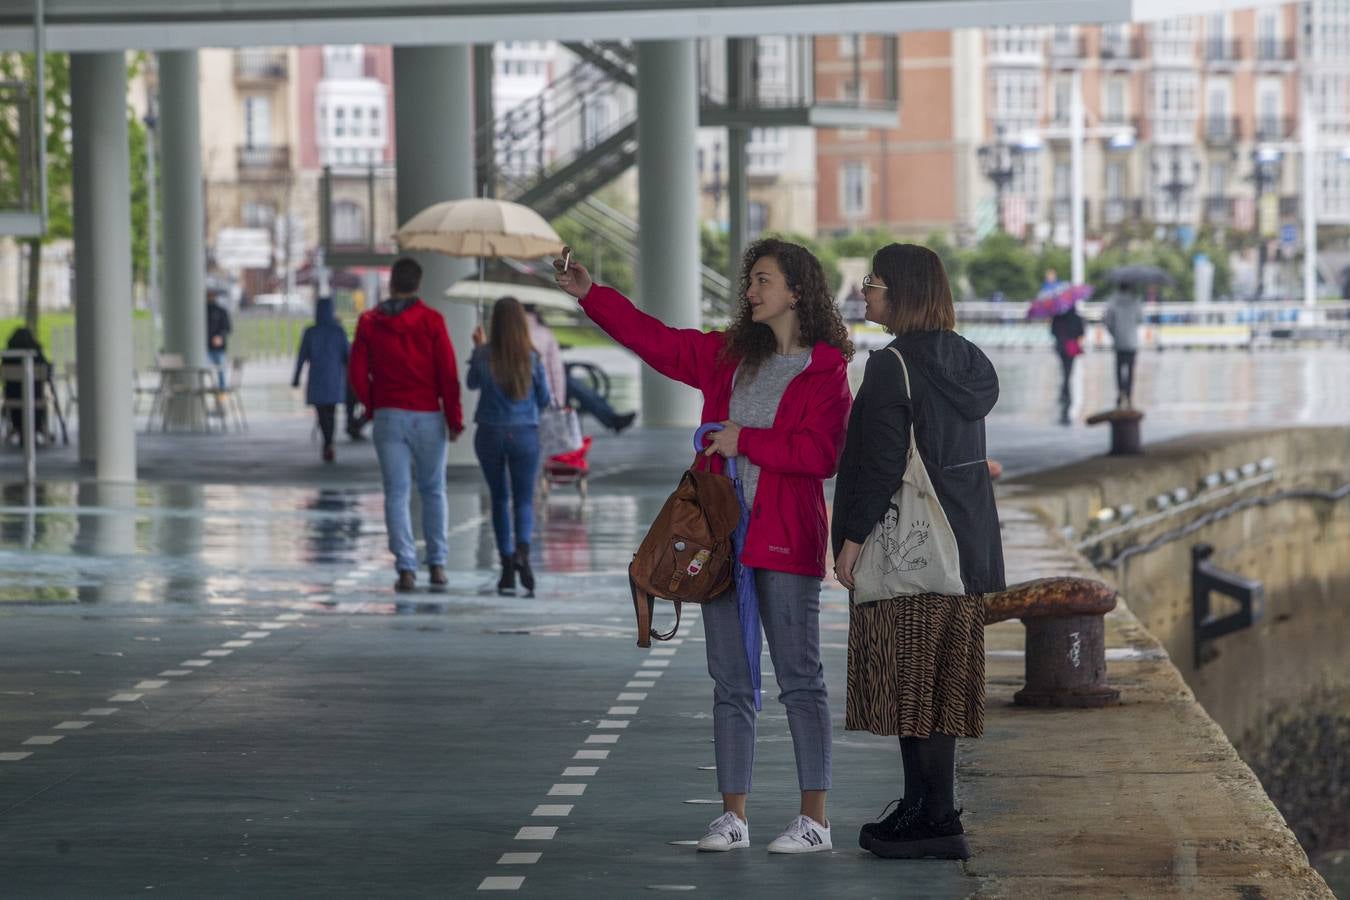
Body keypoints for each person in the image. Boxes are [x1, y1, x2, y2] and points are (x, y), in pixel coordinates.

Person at [556, 238, 854, 855]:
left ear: (796, 291)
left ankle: (815, 821)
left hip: (788, 539)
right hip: (717, 540)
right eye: (751, 281)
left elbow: (821, 455)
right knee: (730, 678)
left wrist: (746, 439)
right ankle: (733, 817)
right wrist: (591, 295)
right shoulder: (726, 356)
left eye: (762, 281)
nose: (750, 291)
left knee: (799, 678)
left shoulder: (824, 372)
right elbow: (656, 340)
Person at [832, 243, 1004, 861]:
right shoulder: (969, 360)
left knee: (912, 686)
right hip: (966, 551)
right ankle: (931, 809)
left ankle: (928, 818)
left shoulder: (893, 365)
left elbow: (880, 464)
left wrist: (850, 541)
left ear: (900, 290)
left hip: (911, 549)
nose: (865, 292)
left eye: (873, 282)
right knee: (942, 686)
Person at [349, 257, 463, 593]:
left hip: (389, 415)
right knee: (433, 491)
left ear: (391, 283)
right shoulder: (432, 321)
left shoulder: (369, 322)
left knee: (396, 494)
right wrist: (453, 418)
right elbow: (448, 373)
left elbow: (356, 372)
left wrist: (373, 406)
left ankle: (405, 568)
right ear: (418, 283)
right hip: (428, 415)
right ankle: (438, 565)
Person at [468, 297, 551, 597]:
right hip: (524, 434)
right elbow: (544, 399)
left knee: (500, 498)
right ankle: (523, 555)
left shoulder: (483, 355)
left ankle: (505, 568)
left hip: (489, 433)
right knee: (524, 499)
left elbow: (471, 383)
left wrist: (478, 347)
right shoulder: (531, 357)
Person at [524, 302, 636, 434]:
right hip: (543, 383)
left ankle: (612, 418)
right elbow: (553, 368)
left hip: (533, 381)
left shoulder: (520, 329)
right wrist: (558, 401)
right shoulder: (542, 331)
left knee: (578, 387)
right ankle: (612, 418)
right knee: (577, 388)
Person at [292, 295, 351, 463]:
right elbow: (347, 355)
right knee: (331, 412)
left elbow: (302, 356)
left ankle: (327, 441)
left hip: (317, 377)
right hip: (334, 378)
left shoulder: (310, 332)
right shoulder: (338, 331)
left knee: (321, 412)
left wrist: (296, 377)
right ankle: (329, 441)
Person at [3, 328, 50, 444]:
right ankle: (36, 428)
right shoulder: (37, 354)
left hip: (13, 400)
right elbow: (48, 373)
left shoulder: (8, 356)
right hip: (35, 398)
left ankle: (18, 427)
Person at [1104, 285, 1143, 408]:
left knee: (1119, 369)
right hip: (1132, 342)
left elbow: (1107, 320)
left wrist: (1114, 333)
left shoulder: (1113, 301)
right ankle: (1129, 394)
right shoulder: (1135, 301)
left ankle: (1120, 393)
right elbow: (1140, 319)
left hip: (1119, 341)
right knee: (1130, 370)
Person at [1049, 304, 1085, 425]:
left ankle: (1064, 391)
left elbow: (1052, 331)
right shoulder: (1076, 317)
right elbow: (1081, 332)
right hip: (1071, 347)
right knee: (1068, 370)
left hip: (1060, 346)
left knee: (1064, 369)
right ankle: (1065, 390)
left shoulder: (1058, 317)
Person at [206, 291, 232, 389]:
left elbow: (227, 328)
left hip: (218, 348)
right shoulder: (201, 311)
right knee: (205, 370)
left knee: (221, 370)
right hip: (205, 347)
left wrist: (220, 336)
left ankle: (222, 390)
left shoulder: (221, 311)